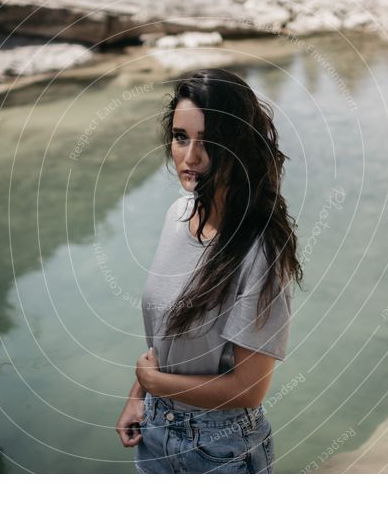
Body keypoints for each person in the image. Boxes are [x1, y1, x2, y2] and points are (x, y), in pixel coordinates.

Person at [115, 68, 303, 473]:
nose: (191, 156)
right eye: (181, 137)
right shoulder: (178, 214)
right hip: (155, 434)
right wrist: (138, 396)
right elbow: (168, 332)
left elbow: (248, 390)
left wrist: (152, 384)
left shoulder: (260, 249)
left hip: (221, 449)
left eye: (210, 141)